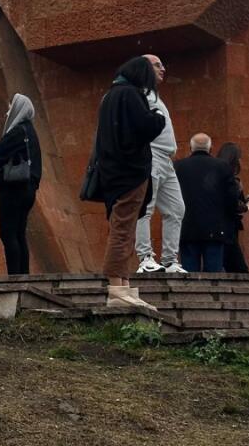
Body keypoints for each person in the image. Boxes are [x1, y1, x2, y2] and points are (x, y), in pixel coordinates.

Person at [94, 57, 166, 309]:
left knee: (124, 229)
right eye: (155, 67)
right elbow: (146, 126)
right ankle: (116, 287)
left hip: (115, 174)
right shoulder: (130, 95)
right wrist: (157, 116)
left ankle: (123, 285)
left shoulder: (112, 96)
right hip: (129, 174)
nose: (161, 71)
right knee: (123, 230)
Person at [134, 54, 186, 275]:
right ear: (144, 68)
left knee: (176, 209)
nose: (162, 68)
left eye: (163, 64)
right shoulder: (139, 94)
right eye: (157, 65)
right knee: (145, 207)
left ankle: (169, 260)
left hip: (166, 159)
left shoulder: (155, 95)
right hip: (151, 154)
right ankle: (145, 258)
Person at [0, 94, 43, 275]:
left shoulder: (17, 131)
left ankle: (15, 277)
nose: (7, 112)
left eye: (10, 108)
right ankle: (23, 274)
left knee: (8, 233)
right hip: (29, 189)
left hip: (14, 188)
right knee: (19, 233)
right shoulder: (31, 131)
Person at [174, 133, 246, 272]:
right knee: (214, 275)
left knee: (189, 274)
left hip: (187, 227)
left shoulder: (178, 166)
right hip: (215, 229)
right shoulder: (223, 167)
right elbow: (231, 199)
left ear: (190, 148)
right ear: (211, 148)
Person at [215, 142, 249, 274]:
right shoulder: (229, 178)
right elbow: (231, 203)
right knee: (238, 267)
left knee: (222, 263)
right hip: (227, 228)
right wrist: (247, 207)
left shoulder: (214, 175)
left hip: (217, 226)